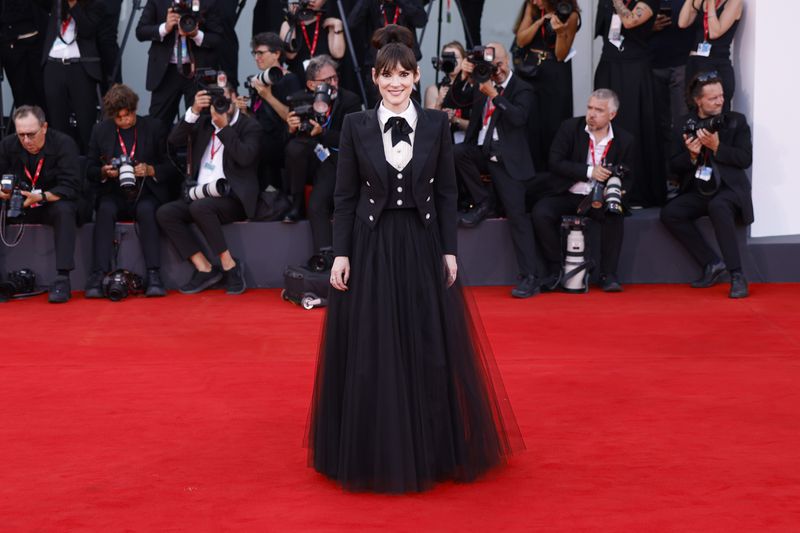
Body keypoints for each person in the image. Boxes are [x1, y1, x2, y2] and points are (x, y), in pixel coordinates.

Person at [307, 25, 522, 494]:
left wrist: (449, 250)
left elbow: (447, 194)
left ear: (416, 75)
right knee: (374, 343)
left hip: (422, 243)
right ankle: (372, 446)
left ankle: (432, 445)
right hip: (371, 244)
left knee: (426, 339)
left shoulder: (436, 124)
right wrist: (340, 254)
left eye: (404, 74)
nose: (396, 83)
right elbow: (343, 198)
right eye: (388, 75)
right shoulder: (356, 124)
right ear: (376, 77)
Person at [450, 42, 541, 298]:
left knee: (517, 217)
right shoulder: (482, 82)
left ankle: (530, 276)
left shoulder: (521, 88)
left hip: (508, 159)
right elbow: (455, 100)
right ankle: (484, 201)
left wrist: (494, 95)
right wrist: (463, 76)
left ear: (508, 61)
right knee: (456, 153)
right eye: (492, 65)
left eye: (499, 64)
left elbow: (518, 118)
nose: (496, 70)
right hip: (480, 151)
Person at [156, 79, 261, 295]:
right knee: (166, 213)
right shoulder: (203, 123)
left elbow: (245, 157)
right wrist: (194, 110)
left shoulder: (250, 126)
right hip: (199, 194)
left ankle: (230, 266)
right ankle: (204, 268)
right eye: (216, 100)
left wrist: (223, 128)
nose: (220, 104)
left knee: (200, 207)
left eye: (224, 99)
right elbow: (174, 140)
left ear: (234, 98)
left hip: (233, 198)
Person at [531, 89, 636, 294]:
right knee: (541, 213)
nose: (591, 114)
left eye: (599, 110)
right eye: (589, 108)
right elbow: (555, 162)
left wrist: (619, 192)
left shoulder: (625, 139)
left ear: (612, 115)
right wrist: (590, 171)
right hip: (567, 192)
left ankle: (608, 274)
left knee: (615, 215)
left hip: (599, 197)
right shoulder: (570, 127)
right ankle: (555, 269)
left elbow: (630, 176)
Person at [660, 72, 752, 298]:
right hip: (700, 189)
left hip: (729, 189)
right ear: (698, 100)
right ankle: (711, 263)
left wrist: (717, 147)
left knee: (718, 206)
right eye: (713, 98)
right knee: (671, 213)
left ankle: (737, 275)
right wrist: (691, 156)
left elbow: (744, 159)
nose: (720, 101)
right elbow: (672, 166)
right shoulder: (683, 124)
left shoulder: (736, 121)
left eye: (721, 96)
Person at [85, 84, 175, 298]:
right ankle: (98, 274)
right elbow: (88, 168)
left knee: (147, 211)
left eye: (129, 115)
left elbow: (172, 166)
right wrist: (104, 172)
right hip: (113, 193)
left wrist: (151, 169)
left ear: (135, 109)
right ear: (111, 116)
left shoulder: (154, 127)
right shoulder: (101, 130)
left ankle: (154, 274)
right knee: (104, 210)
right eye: (119, 118)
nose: (125, 120)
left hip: (145, 192)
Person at [281, 55, 361, 256]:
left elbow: (352, 140)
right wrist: (290, 129)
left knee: (317, 204)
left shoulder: (349, 100)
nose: (332, 84)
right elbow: (283, 146)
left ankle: (325, 257)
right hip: (307, 160)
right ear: (310, 84)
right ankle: (296, 202)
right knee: (294, 148)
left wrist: (323, 133)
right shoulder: (299, 99)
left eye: (334, 78)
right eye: (326, 81)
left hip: (334, 160)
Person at [0, 106, 81, 303]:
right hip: (18, 204)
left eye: (31, 134)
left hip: (50, 202)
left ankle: (63, 278)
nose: (26, 141)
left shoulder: (63, 144)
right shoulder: (8, 145)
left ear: (44, 127)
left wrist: (42, 197)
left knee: (65, 210)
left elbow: (71, 187)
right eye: (21, 135)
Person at [594, 0, 663, 207]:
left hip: (634, 68)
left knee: (632, 125)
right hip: (609, 64)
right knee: (603, 123)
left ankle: (635, 190)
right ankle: (602, 184)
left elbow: (631, 21)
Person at [513, 0, 580, 171]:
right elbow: (520, 40)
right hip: (530, 69)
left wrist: (560, 32)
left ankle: (551, 173)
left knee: (553, 123)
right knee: (529, 121)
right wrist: (540, 22)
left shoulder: (570, 15)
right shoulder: (533, 7)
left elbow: (560, 54)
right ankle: (528, 172)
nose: (535, 1)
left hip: (555, 72)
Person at [135, 0, 224, 128]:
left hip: (197, 72)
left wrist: (196, 34)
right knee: (157, 125)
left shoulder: (208, 2)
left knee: (200, 124)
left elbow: (218, 38)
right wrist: (165, 27)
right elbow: (140, 31)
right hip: (165, 72)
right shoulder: (157, 2)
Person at [236, 32, 302, 191]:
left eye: (261, 53)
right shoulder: (259, 80)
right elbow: (258, 117)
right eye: (255, 53)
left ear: (277, 54)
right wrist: (244, 111)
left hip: (281, 138)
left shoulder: (290, 79)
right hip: (261, 136)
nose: (256, 57)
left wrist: (267, 95)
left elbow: (293, 117)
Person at [39, 0, 106, 154]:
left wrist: (74, 5)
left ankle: (88, 166)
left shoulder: (96, 4)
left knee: (86, 120)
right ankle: (62, 162)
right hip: (54, 65)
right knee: (57, 120)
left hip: (80, 67)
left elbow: (87, 30)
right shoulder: (56, 3)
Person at [348, 0, 428, 106]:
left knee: (412, 107)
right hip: (378, 65)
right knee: (376, 111)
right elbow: (352, 22)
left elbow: (421, 20)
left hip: (405, 64)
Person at [678, 0, 742, 113]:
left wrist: (711, 4)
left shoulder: (734, 2)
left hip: (716, 64)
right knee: (693, 110)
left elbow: (714, 33)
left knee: (716, 113)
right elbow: (682, 23)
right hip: (695, 63)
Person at [279, 0, 345, 82]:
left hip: (325, 78)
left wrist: (338, 25)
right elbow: (290, 54)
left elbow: (338, 53)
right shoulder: (289, 23)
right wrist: (292, 21)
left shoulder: (328, 22)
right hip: (298, 78)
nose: (312, 0)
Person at [0, 0, 48, 112]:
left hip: (39, 42)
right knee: (21, 97)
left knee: (44, 94)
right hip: (11, 45)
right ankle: (26, 128)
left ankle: (47, 128)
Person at [423, 41, 471, 144]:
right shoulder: (434, 89)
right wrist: (439, 103)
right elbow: (429, 127)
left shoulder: (471, 88)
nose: (451, 61)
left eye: (456, 58)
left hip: (466, 146)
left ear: (464, 60)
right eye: (447, 58)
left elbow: (478, 127)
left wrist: (454, 119)